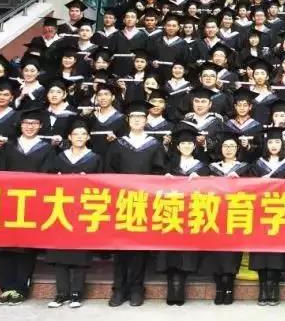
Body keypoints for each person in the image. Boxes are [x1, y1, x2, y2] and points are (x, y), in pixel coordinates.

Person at [104, 100, 167, 307]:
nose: (138, 120)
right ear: (128, 120)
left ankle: (136, 288)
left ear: (146, 120)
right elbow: (109, 172)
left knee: (140, 247)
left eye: (141, 117)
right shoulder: (118, 144)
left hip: (144, 202)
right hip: (122, 201)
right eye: (134, 117)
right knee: (120, 247)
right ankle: (118, 289)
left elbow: (159, 172)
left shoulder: (154, 145)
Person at [0, 109, 55, 305]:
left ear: (40, 126)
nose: (30, 127)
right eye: (26, 123)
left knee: (26, 247)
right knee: (6, 245)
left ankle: (20, 288)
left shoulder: (47, 149)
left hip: (32, 203)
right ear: (20, 125)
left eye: (34, 123)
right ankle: (5, 287)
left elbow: (48, 176)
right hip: (9, 202)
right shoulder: (8, 147)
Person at [43, 121, 102, 308]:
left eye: (83, 134)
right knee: (59, 252)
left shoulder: (95, 158)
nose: (79, 137)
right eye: (75, 134)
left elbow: (103, 184)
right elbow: (46, 180)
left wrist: (89, 181)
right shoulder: (59, 157)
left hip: (83, 210)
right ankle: (61, 293)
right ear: (69, 137)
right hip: (61, 209)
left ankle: (76, 293)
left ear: (88, 137)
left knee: (80, 253)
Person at [155, 123, 208, 306]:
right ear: (177, 146)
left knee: (186, 250)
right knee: (170, 247)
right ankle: (172, 284)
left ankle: (181, 285)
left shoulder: (202, 167)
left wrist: (201, 181)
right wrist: (165, 180)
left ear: (194, 146)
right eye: (183, 144)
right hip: (172, 211)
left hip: (192, 212)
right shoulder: (169, 165)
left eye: (190, 144)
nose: (186, 146)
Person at [248, 126, 285, 306]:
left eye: (277, 142)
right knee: (260, 252)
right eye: (271, 142)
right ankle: (262, 288)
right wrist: (259, 183)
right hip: (260, 214)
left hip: (280, 214)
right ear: (266, 144)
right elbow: (249, 188)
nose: (274, 145)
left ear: (282, 144)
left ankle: (273, 288)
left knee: (276, 253)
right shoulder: (257, 164)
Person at [204, 131, 250, 306]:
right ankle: (219, 288)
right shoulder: (212, 168)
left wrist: (241, 181)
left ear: (237, 149)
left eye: (232, 146)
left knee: (232, 253)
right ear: (220, 149)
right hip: (215, 215)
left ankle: (229, 287)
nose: (229, 149)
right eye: (225, 146)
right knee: (216, 253)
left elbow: (253, 190)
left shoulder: (245, 168)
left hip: (235, 215)